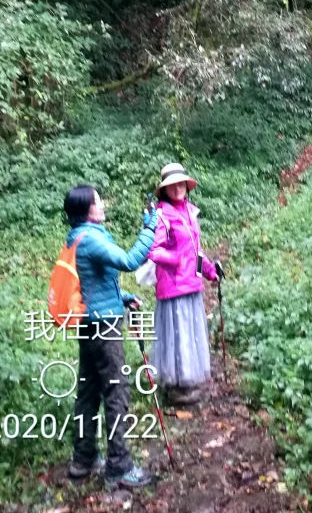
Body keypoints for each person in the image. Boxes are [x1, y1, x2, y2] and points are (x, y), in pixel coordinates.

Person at [63, 184, 158, 489]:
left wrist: (124, 297)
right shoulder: (90, 239)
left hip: (87, 322)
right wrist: (150, 227)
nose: (103, 204)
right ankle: (119, 466)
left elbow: (97, 280)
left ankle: (84, 459)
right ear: (86, 210)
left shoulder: (76, 237)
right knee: (116, 390)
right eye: (98, 201)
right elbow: (129, 261)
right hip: (104, 328)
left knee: (88, 392)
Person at [147, 163, 223, 406]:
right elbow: (153, 250)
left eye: (181, 183)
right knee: (177, 335)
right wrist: (175, 260)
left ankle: (188, 382)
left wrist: (209, 270)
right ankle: (176, 388)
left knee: (190, 333)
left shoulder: (190, 212)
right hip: (172, 285)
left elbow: (196, 251)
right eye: (172, 185)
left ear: (186, 186)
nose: (178, 188)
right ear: (165, 190)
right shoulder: (162, 216)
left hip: (191, 283)